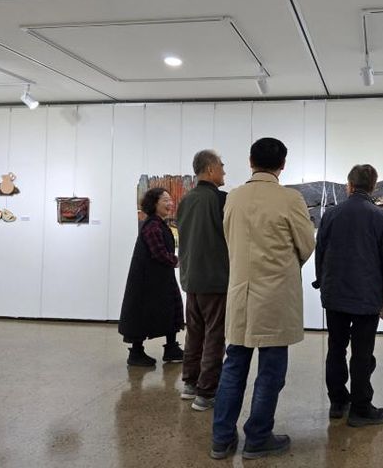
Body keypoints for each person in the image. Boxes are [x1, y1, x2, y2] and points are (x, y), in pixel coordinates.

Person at [211, 137, 315, 460]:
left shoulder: (234, 198)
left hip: (241, 293)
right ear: (282, 165)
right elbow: (307, 245)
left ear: (250, 161)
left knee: (233, 366)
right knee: (270, 370)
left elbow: (229, 240)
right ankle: (257, 437)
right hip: (275, 297)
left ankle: (221, 439)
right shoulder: (291, 199)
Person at [314, 164, 383, 427]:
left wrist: (321, 281)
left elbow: (320, 251)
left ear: (349, 185)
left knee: (336, 349)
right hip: (367, 295)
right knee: (363, 353)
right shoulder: (381, 217)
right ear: (373, 186)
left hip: (335, 293)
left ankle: (338, 402)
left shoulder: (331, 214)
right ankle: (361, 407)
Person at [176, 150, 229, 412]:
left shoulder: (186, 200)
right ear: (210, 169)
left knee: (195, 333)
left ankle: (190, 383)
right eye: (221, 166)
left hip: (191, 278)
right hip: (215, 278)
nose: (224, 171)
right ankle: (206, 393)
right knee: (214, 336)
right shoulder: (221, 200)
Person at [118, 188, 184, 366]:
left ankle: (171, 348)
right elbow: (158, 253)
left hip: (158, 278)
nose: (170, 203)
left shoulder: (158, 224)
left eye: (170, 200)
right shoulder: (153, 226)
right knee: (142, 314)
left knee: (169, 309)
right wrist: (176, 261)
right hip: (147, 280)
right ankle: (137, 353)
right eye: (165, 200)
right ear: (154, 203)